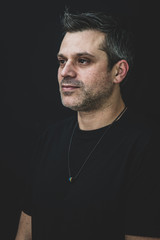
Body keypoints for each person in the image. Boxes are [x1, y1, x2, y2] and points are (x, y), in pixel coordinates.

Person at [15, 10, 160, 240]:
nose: (65, 72)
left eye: (83, 60)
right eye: (62, 61)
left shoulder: (147, 149)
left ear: (118, 71)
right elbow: (25, 234)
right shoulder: (50, 138)